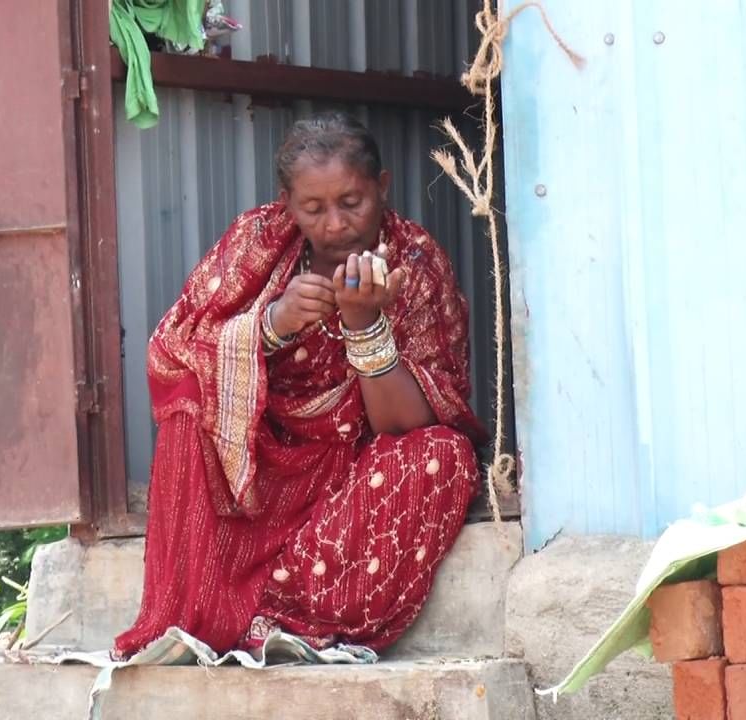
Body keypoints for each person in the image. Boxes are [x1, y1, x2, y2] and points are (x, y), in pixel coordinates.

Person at [114, 112, 486, 658]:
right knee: (191, 401)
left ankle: (282, 616)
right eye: (313, 209)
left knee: (444, 457)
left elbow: (404, 425)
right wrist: (270, 325)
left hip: (350, 471)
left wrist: (365, 327)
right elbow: (171, 351)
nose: (336, 224)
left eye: (352, 202)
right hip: (260, 468)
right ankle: (207, 607)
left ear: (382, 188)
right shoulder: (255, 243)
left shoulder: (415, 263)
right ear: (287, 203)